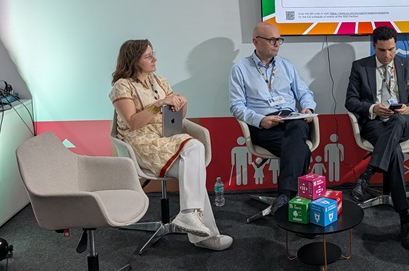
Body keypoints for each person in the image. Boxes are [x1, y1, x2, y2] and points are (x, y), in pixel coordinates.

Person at [110, 40, 233, 251]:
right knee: (194, 149)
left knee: (192, 170)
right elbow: (132, 123)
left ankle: (192, 219)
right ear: (134, 60)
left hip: (166, 138)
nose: (154, 59)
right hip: (141, 143)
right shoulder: (122, 86)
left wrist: (181, 104)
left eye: (153, 54)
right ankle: (201, 231)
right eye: (148, 56)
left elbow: (177, 118)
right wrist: (158, 104)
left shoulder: (160, 81)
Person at [345, 26, 409, 252]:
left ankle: (367, 174)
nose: (387, 55)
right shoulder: (360, 67)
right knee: (394, 151)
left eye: (391, 49)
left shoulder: (408, 65)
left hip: (403, 122)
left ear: (396, 46)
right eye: (382, 50)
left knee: (398, 120)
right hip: (376, 123)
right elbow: (350, 101)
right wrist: (373, 108)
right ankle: (405, 220)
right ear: (374, 47)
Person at [229, 22, 316, 214]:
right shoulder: (240, 69)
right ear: (256, 42)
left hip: (291, 119)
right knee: (300, 148)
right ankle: (295, 198)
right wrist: (260, 120)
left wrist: (308, 108)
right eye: (272, 40)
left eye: (279, 40)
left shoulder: (287, 65)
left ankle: (285, 195)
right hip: (263, 124)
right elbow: (236, 106)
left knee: (298, 128)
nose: (277, 44)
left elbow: (304, 92)